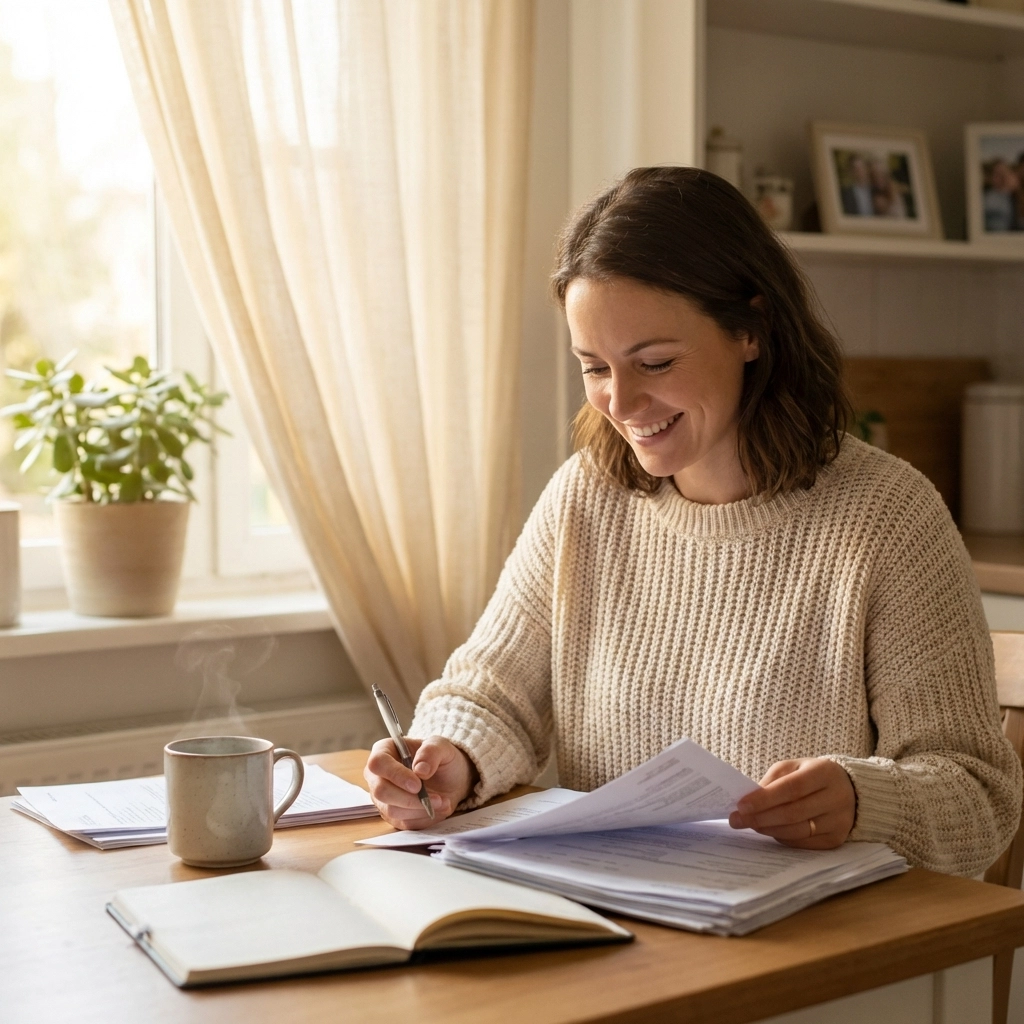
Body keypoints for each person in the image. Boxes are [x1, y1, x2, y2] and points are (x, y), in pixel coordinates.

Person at [364, 166, 1021, 877]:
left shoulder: (887, 519)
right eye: (594, 367)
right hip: (622, 926)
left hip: (815, 951)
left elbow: (978, 799)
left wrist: (865, 801)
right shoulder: (585, 497)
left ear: (750, 328)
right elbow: (491, 695)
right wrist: (450, 757)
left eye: (655, 362)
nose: (621, 400)